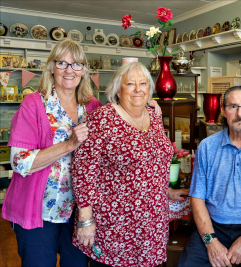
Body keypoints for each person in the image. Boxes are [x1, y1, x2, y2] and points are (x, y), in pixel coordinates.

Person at [71, 61, 188, 267]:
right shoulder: (102, 118)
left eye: (143, 84)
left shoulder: (154, 115)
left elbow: (152, 161)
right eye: (130, 84)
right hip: (115, 224)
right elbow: (83, 170)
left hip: (152, 222)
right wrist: (86, 219)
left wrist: (167, 190)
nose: (137, 89)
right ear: (117, 88)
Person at [2, 38, 102, 267]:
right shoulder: (33, 104)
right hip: (39, 210)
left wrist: (149, 105)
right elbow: (19, 162)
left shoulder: (92, 105)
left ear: (84, 71)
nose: (69, 70)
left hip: (79, 211)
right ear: (51, 68)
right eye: (62, 63)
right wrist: (69, 144)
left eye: (76, 64)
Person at [178, 86, 241, 267]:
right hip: (213, 226)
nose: (240, 113)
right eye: (233, 106)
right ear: (223, 110)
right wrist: (211, 242)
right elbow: (197, 198)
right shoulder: (207, 146)